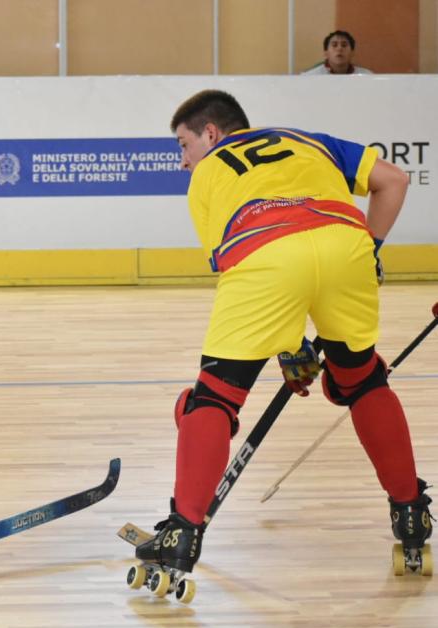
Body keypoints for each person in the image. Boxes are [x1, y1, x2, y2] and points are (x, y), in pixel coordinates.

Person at [135, 89, 430, 585]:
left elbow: (251, 269)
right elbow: (394, 181)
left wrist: (290, 353)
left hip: (264, 248)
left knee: (214, 397)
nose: (184, 162)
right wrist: (370, 248)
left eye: (184, 146)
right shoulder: (306, 139)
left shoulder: (209, 173)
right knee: (362, 383)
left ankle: (182, 532)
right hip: (346, 243)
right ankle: (411, 513)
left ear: (211, 133)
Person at [302, 30, 373, 75]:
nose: (339, 48)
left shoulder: (366, 76)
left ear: (352, 53)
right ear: (326, 53)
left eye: (344, 45)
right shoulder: (309, 77)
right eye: (334, 45)